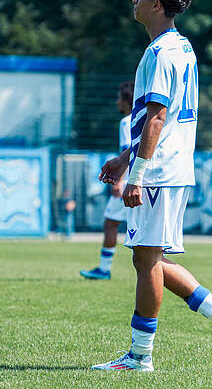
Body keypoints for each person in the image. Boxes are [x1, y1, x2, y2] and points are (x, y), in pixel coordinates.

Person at [91, 0, 212, 372]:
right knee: (151, 260)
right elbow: (161, 118)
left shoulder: (159, 52)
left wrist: (137, 175)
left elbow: (158, 118)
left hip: (159, 171)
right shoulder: (183, 47)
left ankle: (140, 357)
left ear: (157, 4)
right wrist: (126, 157)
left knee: (146, 262)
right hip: (171, 164)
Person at [80, 81, 134, 280]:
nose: (116, 101)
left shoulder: (127, 122)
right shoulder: (142, 120)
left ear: (126, 99)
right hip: (143, 183)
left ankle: (104, 269)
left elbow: (127, 151)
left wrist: (119, 181)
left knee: (111, 223)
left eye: (119, 97)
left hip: (129, 183)